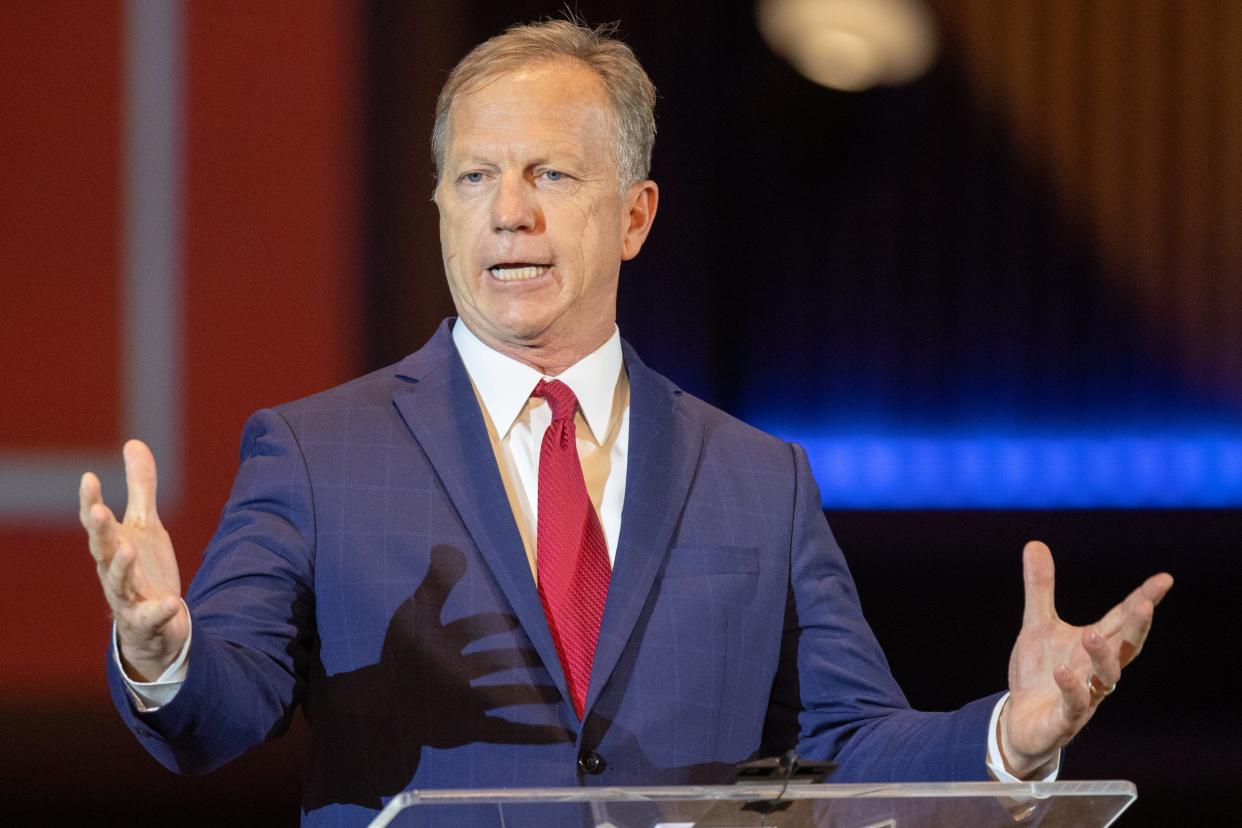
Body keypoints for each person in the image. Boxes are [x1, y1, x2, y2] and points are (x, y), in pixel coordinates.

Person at [79, 19, 1172, 827]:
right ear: (441, 207)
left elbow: (852, 745)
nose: (509, 209)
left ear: (636, 214)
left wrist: (1008, 740)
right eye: (474, 177)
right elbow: (215, 714)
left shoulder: (759, 478)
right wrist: (160, 652)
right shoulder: (316, 453)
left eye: (550, 173)